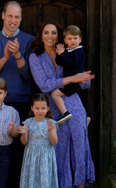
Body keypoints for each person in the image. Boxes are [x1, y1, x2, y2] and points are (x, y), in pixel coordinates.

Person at [29, 21, 95, 188]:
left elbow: (83, 82)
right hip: (52, 107)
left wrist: (84, 79)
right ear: (41, 35)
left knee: (80, 147)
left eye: (53, 33)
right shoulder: (35, 57)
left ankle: (80, 184)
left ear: (59, 37)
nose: (50, 36)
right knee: (60, 150)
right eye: (46, 32)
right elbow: (44, 85)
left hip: (74, 103)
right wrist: (72, 79)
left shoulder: (69, 52)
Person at [0, 1, 34, 187]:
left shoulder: (29, 41)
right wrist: (4, 57)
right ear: (3, 15)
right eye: (10, 16)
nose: (13, 20)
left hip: (21, 103)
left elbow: (28, 75)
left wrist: (18, 55)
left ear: (21, 18)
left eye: (17, 17)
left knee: (18, 155)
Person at [18, 93, 58, 188]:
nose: (40, 111)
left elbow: (54, 142)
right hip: (31, 156)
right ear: (32, 108)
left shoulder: (51, 123)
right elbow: (24, 142)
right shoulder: (28, 122)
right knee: (31, 180)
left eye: (43, 108)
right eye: (37, 108)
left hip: (46, 156)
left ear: (47, 108)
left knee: (45, 181)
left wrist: (50, 131)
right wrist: (24, 133)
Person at [51, 25, 86, 124]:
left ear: (80, 39)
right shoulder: (69, 51)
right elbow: (61, 63)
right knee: (72, 100)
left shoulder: (79, 51)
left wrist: (62, 54)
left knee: (55, 94)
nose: (73, 41)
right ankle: (81, 117)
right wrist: (58, 54)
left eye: (75, 38)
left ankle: (65, 113)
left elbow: (72, 63)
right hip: (70, 81)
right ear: (65, 41)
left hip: (73, 82)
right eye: (70, 38)